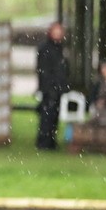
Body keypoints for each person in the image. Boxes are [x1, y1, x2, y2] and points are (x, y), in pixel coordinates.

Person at [35, 21, 70, 150]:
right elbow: (43, 70)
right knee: (47, 116)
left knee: (54, 116)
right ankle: (44, 142)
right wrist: (49, 87)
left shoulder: (60, 48)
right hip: (49, 88)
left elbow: (62, 69)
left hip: (57, 88)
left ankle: (50, 141)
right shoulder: (46, 48)